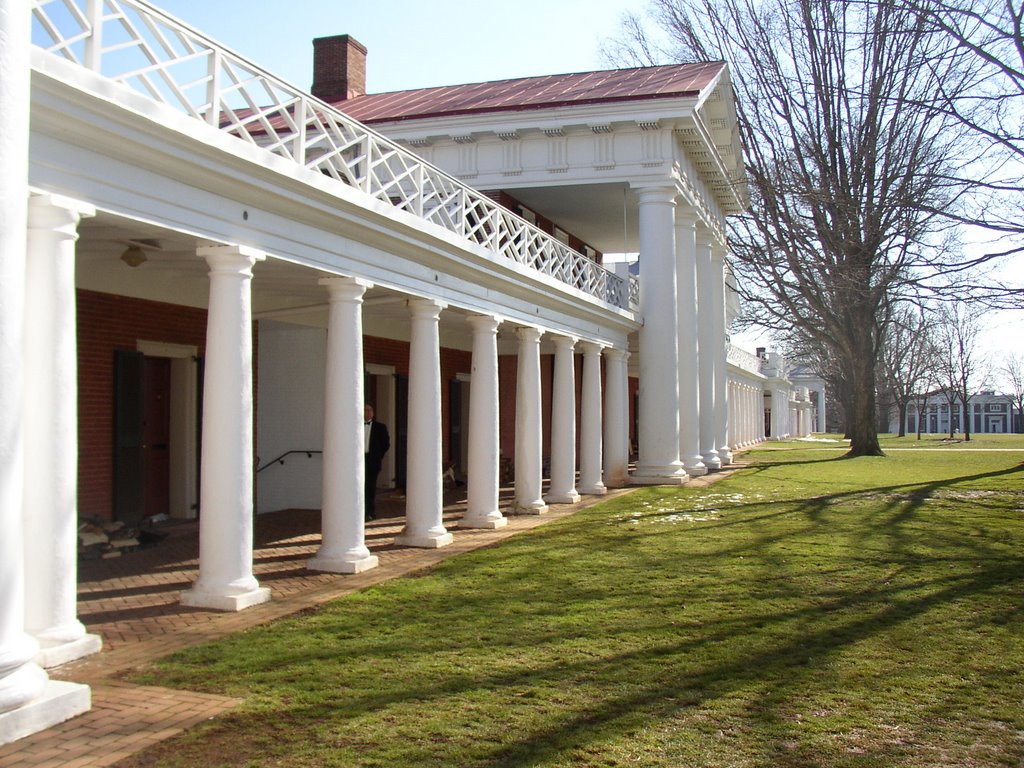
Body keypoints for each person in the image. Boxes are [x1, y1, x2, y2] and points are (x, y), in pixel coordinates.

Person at [363, 404, 390, 521]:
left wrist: (378, 456)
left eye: (370, 410)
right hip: (358, 460)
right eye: (365, 410)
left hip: (372, 460)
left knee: (370, 487)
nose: (368, 412)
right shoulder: (354, 426)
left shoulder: (380, 427)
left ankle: (369, 512)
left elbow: (385, 444)